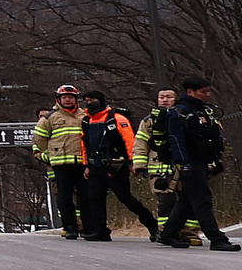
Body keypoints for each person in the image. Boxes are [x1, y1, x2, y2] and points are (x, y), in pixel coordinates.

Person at [158, 77, 240, 251]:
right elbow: (176, 140)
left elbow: (213, 138)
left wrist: (216, 159)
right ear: (190, 92)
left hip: (202, 161)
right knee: (203, 200)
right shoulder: (178, 112)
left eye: (208, 91)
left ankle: (168, 234)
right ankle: (216, 238)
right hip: (190, 162)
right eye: (203, 92)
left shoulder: (203, 112)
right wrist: (183, 164)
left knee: (187, 201)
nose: (207, 95)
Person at [79, 90, 158, 242]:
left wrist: (132, 163)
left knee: (125, 198)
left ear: (101, 100)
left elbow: (129, 141)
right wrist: (86, 165)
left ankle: (152, 225)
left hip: (115, 167)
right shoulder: (87, 121)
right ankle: (100, 231)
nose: (89, 103)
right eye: (87, 100)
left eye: (93, 99)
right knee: (94, 199)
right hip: (95, 167)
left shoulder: (116, 118)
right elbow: (85, 145)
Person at [131, 88, 203, 245]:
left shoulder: (186, 117)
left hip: (183, 165)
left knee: (190, 199)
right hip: (159, 167)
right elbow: (140, 143)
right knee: (166, 201)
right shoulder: (149, 121)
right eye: (161, 97)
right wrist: (139, 164)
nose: (164, 100)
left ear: (176, 99)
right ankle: (165, 231)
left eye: (169, 97)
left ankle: (189, 233)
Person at [33, 85, 90, 239]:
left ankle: (87, 227)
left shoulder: (85, 115)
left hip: (81, 164)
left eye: (70, 97)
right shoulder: (49, 118)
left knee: (85, 197)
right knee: (64, 198)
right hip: (60, 165)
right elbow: (39, 139)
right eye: (64, 97)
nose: (67, 99)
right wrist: (47, 156)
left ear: (76, 99)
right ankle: (70, 227)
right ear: (58, 99)